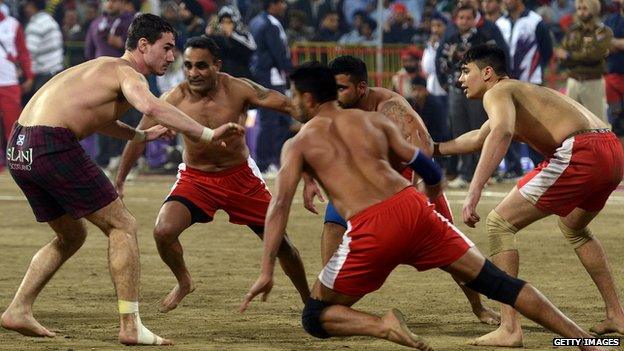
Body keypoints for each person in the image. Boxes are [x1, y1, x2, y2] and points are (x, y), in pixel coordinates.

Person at [239, 62, 607, 351]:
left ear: (307, 98)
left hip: (370, 228)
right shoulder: (373, 122)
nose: (291, 104)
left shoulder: (299, 143)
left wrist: (267, 267)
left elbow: (278, 208)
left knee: (315, 315)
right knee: (501, 284)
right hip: (413, 207)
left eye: (293, 97)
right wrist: (428, 204)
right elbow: (428, 164)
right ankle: (588, 343)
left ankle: (383, 325)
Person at [1, 14, 243, 345]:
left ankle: (19, 309)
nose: (172, 57)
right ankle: (130, 326)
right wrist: (206, 133)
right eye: (167, 48)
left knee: (71, 235)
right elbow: (151, 106)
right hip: (49, 144)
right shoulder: (128, 73)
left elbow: (96, 118)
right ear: (144, 46)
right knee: (123, 226)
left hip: (19, 147)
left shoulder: (100, 68)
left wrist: (140, 137)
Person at [435, 44, 624, 347]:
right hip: (611, 149)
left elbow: (502, 134)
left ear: (487, 73)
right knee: (574, 227)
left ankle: (510, 327)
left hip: (581, 151)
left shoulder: (496, 92)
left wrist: (474, 190)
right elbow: (479, 137)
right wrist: (433, 148)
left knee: (499, 223)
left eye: (465, 71)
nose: (460, 79)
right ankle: (617, 314)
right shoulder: (516, 92)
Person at [115, 36, 310, 313]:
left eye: (202, 66)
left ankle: (310, 303)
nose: (194, 73)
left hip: (241, 178)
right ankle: (184, 281)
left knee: (283, 246)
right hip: (197, 179)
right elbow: (138, 137)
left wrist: (329, 118)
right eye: (189, 66)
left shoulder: (239, 89)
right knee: (163, 231)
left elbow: (289, 106)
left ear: (217, 65)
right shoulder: (173, 98)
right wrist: (120, 180)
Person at [309, 55, 500, 325]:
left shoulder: (390, 107)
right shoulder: (334, 103)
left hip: (406, 178)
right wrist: (309, 177)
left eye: (340, 88)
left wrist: (417, 195)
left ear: (361, 88)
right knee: (333, 227)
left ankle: (477, 306)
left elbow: (423, 147)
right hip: (362, 179)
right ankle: (329, 299)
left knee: (453, 251)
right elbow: (312, 132)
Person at [555, 0, 611, 123]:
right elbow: (561, 55)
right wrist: (575, 57)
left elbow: (595, 56)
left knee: (597, 124)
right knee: (569, 122)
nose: (581, 12)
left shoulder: (603, 32)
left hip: (593, 82)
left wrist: (570, 56)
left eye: (585, 8)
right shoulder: (572, 31)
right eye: (579, 8)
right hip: (573, 81)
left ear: (594, 10)